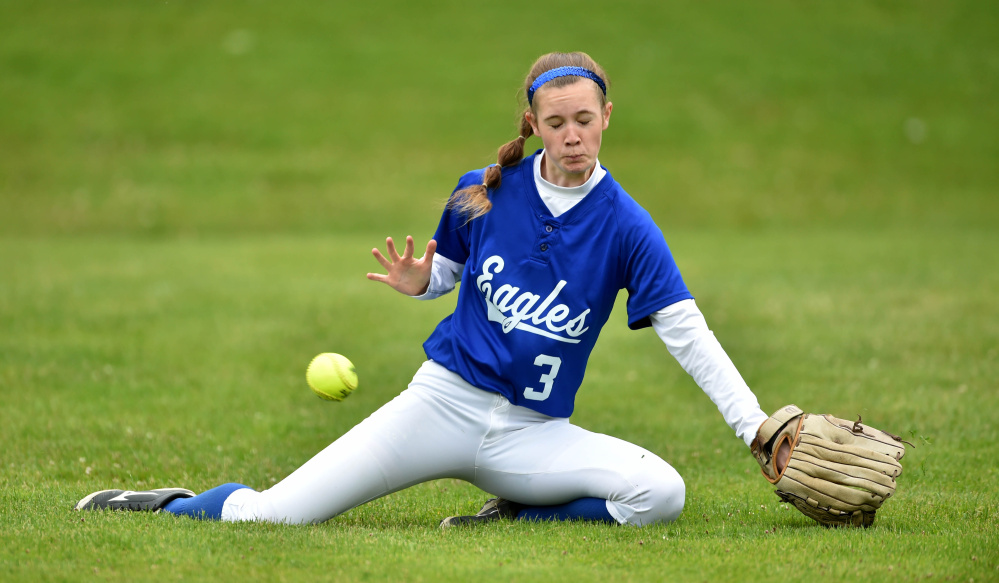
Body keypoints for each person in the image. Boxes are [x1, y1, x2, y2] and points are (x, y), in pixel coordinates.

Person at [76, 51, 770, 527]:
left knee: (660, 494)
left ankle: (519, 514)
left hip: (533, 434)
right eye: (554, 123)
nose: (571, 136)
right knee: (273, 515)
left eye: (583, 120)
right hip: (439, 406)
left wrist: (757, 430)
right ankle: (166, 504)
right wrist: (425, 281)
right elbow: (449, 269)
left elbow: (688, 333)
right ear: (531, 123)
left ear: (607, 116)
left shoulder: (627, 226)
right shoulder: (485, 189)